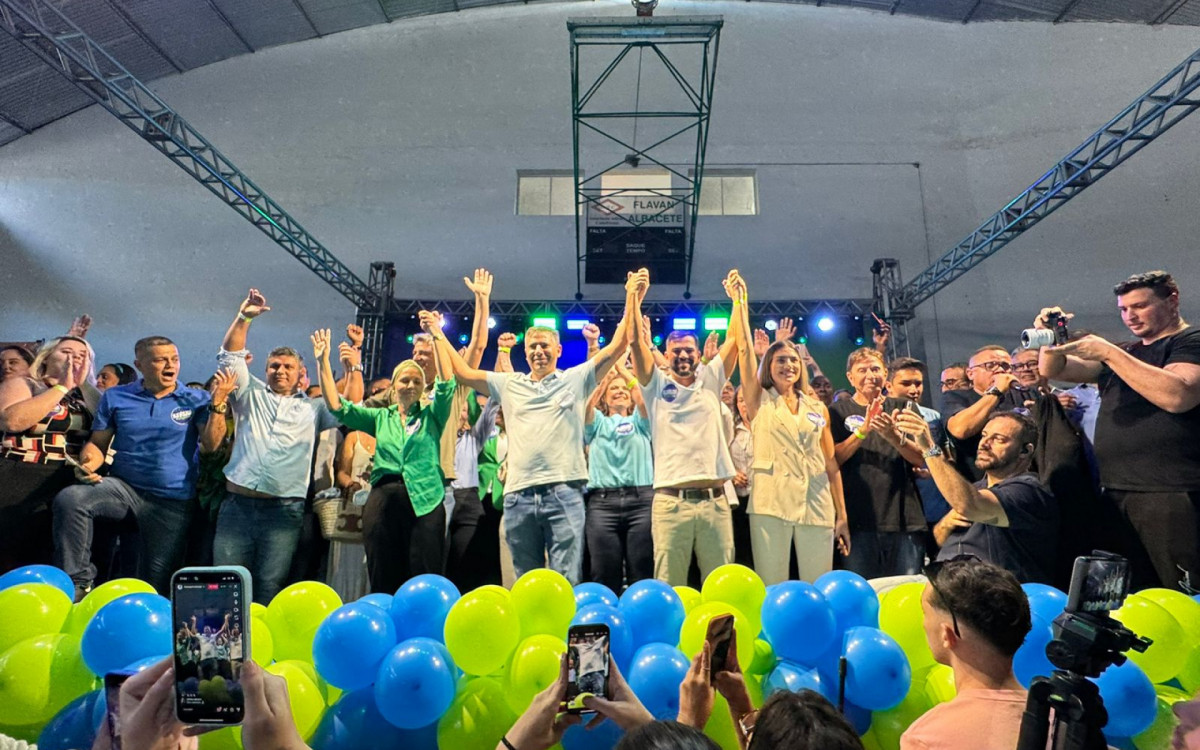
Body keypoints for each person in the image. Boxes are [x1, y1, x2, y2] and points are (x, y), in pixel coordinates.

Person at [432, 277, 635, 586]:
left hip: (563, 493)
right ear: (524, 353)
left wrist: (632, 294)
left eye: (544, 346)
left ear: (558, 349)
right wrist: (438, 333)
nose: (538, 351)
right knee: (522, 585)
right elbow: (462, 372)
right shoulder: (510, 384)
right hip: (518, 496)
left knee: (565, 582)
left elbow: (619, 345)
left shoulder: (575, 379)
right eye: (532, 347)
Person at [1038, 270, 1200, 591]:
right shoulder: (1127, 352)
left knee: (1182, 591)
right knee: (1135, 592)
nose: (1131, 317)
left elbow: (1178, 394)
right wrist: (1050, 338)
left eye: (1139, 306)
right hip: (1117, 490)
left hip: (1168, 491)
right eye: (1124, 310)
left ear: (1173, 300)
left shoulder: (1190, 341)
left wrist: (1110, 353)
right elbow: (1053, 369)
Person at [208, 289, 361, 604]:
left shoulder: (315, 409)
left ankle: (259, 653)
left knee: (269, 586)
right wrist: (245, 316)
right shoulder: (249, 394)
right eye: (274, 366)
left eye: (288, 367)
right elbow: (230, 356)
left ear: (300, 374)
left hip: (283, 512)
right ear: (265, 370)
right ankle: (222, 652)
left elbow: (352, 403)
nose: (280, 371)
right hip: (237, 506)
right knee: (226, 584)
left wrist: (348, 365)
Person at [53, 336, 212, 596]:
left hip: (172, 501)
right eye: (161, 359)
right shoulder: (116, 396)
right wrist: (88, 463)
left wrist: (217, 406)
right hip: (124, 489)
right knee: (72, 498)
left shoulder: (196, 398)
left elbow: (213, 445)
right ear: (140, 364)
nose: (170, 365)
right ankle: (78, 583)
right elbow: (97, 445)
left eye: (174, 359)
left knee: (152, 585)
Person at [313, 317, 451, 594]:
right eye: (404, 379)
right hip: (383, 500)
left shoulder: (433, 416)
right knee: (383, 573)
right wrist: (323, 362)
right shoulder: (379, 417)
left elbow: (448, 382)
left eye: (417, 381)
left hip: (425, 499)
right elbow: (338, 406)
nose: (410, 385)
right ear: (394, 386)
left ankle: (423, 632)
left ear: (424, 387)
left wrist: (436, 333)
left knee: (424, 576)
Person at [729, 272, 850, 584]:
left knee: (818, 585)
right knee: (773, 586)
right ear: (769, 366)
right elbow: (743, 349)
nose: (788, 365)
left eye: (793, 360)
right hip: (770, 505)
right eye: (780, 360)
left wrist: (842, 516)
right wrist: (740, 302)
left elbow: (831, 464)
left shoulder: (817, 407)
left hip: (816, 503)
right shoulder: (760, 402)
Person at [630, 270, 742, 586]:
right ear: (666, 355)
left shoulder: (711, 380)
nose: (682, 354)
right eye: (676, 350)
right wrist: (635, 301)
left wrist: (737, 301)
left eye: (688, 350)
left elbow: (733, 341)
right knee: (669, 588)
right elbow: (636, 343)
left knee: (721, 586)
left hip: (715, 502)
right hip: (670, 504)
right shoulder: (654, 386)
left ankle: (721, 639)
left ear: (697, 354)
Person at [895, 409, 1058, 584]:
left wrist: (929, 447)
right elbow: (938, 541)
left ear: (1025, 451)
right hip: (948, 583)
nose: (984, 444)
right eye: (984, 435)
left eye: (999, 439)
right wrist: (944, 526)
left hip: (995, 593)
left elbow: (970, 505)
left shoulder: (1029, 491)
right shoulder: (972, 489)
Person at [899, 557, 1031, 750]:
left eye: (924, 613)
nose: (923, 624)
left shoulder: (927, 738)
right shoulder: (1060, 724)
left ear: (947, 634)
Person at [0, 335, 99, 573]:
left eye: (82, 355)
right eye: (66, 351)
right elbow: (12, 421)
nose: (74, 358)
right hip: (19, 473)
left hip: (64, 480)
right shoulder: (26, 384)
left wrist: (82, 384)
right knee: (11, 553)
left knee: (48, 556)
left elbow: (103, 427)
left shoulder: (86, 396)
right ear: (46, 357)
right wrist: (61, 386)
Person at [829, 347, 927, 578]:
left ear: (885, 374)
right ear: (850, 377)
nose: (870, 375)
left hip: (905, 520)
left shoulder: (905, 407)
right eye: (862, 370)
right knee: (864, 596)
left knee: (906, 592)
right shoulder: (836, 411)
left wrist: (893, 435)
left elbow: (922, 458)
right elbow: (833, 460)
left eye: (875, 369)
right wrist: (862, 431)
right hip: (857, 521)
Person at [583, 358, 654, 592]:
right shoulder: (598, 424)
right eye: (614, 389)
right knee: (604, 572)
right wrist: (604, 382)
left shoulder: (641, 422)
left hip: (641, 502)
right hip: (603, 505)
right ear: (605, 396)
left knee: (642, 571)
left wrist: (624, 372)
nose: (620, 392)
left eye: (624, 389)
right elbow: (586, 407)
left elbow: (642, 400)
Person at [887, 357, 952, 556]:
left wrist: (932, 470)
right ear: (888, 385)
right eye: (906, 383)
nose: (914, 389)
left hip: (934, 509)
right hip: (895, 512)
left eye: (918, 383)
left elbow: (949, 459)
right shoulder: (876, 416)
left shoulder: (933, 417)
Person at [942, 346, 1032, 481]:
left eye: (1006, 366)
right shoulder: (956, 397)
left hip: (1026, 479)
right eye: (991, 365)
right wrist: (996, 391)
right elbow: (960, 429)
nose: (1001, 370)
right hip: (981, 484)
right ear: (970, 373)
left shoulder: (1025, 394)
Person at [329, 428, 374, 601]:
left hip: (378, 510)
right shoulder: (354, 437)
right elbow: (342, 472)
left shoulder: (395, 435)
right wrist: (349, 483)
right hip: (352, 511)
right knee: (347, 568)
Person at [728, 385, 755, 569]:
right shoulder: (731, 430)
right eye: (741, 400)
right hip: (738, 500)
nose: (745, 404)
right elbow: (720, 456)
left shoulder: (768, 428)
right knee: (742, 553)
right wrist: (732, 474)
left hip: (763, 500)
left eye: (748, 399)